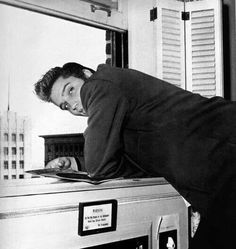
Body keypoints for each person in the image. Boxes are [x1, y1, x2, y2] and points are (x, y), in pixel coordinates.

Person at [34, 62, 236, 249]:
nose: (74, 105)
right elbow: (125, 166)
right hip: (220, 184)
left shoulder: (101, 83)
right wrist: (77, 164)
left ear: (86, 74)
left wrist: (92, 163)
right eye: (65, 106)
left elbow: (98, 167)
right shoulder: (121, 114)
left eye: (71, 90)